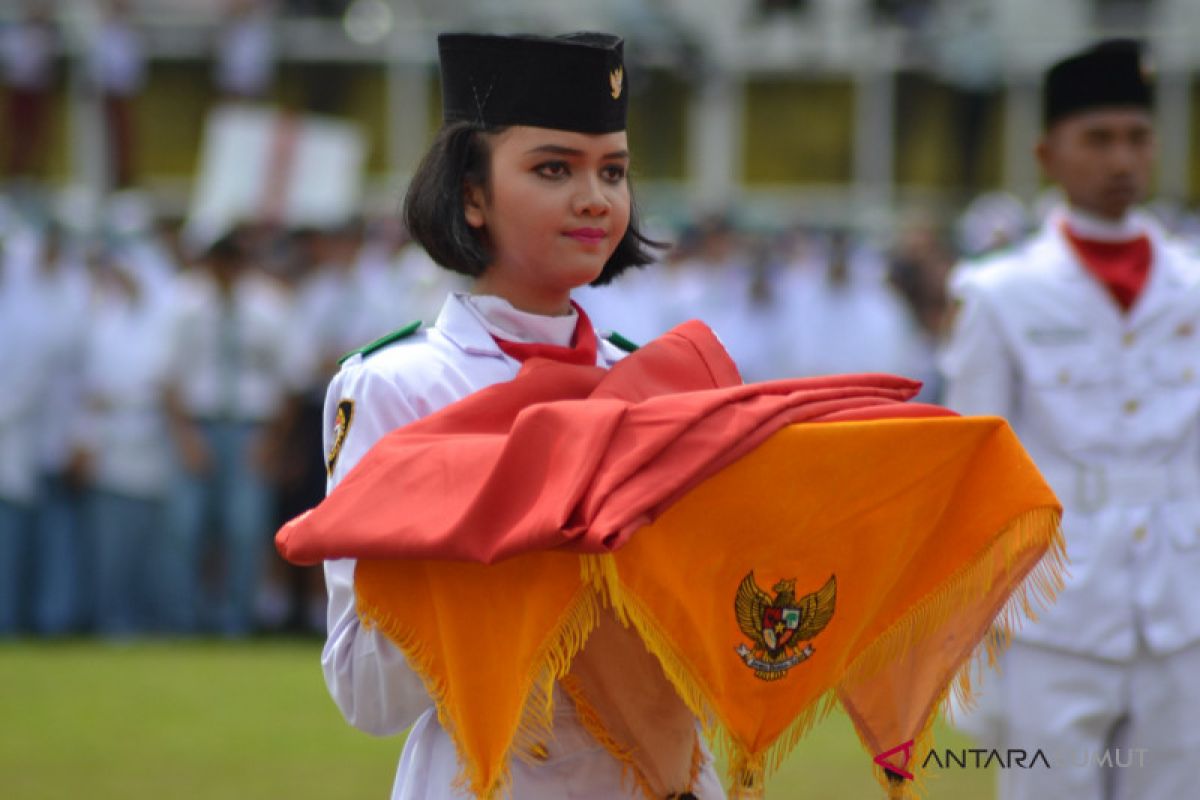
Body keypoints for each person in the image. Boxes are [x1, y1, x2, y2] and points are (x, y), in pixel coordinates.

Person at [320, 32, 723, 799]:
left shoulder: (660, 384)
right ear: (472, 193)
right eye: (552, 168)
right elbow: (364, 693)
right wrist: (514, 548)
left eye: (613, 171)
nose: (594, 198)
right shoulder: (400, 387)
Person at [941, 39, 1200, 800]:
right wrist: (969, 637)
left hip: (1180, 609)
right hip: (1054, 613)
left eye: (1137, 137)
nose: (1122, 159)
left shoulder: (1193, 284)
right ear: (1047, 153)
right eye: (1098, 138)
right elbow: (974, 467)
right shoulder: (998, 292)